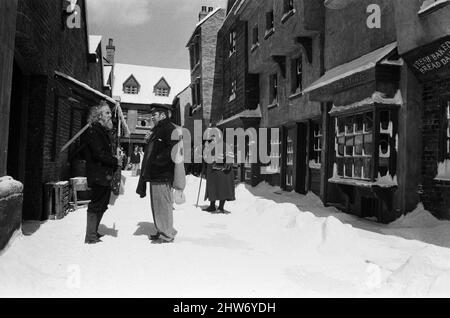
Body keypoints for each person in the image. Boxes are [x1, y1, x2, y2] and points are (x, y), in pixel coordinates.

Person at [137, 104, 178, 244]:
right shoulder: (157, 129)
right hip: (155, 173)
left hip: (162, 173)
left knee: (163, 204)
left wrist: (156, 162)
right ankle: (161, 230)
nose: (152, 117)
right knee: (157, 204)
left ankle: (167, 234)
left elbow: (172, 150)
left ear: (163, 115)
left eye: (154, 115)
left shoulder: (169, 129)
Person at [82, 101, 121, 244]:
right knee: (96, 203)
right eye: (107, 113)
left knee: (103, 203)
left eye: (110, 112)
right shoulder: (94, 131)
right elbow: (99, 154)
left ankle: (94, 231)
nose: (110, 115)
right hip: (98, 174)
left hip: (104, 174)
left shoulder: (102, 131)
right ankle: (90, 236)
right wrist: (114, 161)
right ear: (99, 116)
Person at [202, 133, 236, 213]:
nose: (212, 139)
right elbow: (205, 157)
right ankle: (212, 206)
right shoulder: (209, 146)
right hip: (212, 172)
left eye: (214, 137)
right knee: (212, 188)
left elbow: (230, 157)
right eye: (212, 137)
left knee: (222, 189)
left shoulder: (225, 145)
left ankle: (221, 207)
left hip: (222, 172)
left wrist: (226, 165)